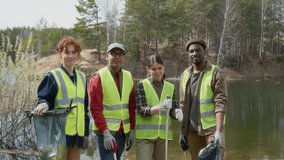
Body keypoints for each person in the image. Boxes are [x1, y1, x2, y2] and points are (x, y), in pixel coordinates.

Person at [34, 36, 90, 160]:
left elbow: (84, 108)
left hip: (77, 134)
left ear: (78, 54)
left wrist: (86, 133)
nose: (70, 56)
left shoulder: (82, 77)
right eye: (66, 52)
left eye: (73, 52)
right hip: (59, 135)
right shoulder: (53, 76)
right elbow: (44, 98)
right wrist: (43, 103)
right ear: (60, 54)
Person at [179, 38, 227, 160]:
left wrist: (218, 132)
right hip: (192, 131)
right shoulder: (185, 74)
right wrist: (182, 133)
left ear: (204, 51)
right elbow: (182, 104)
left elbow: (220, 103)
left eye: (198, 50)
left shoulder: (215, 72)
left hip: (211, 130)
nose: (194, 53)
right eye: (191, 51)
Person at [88, 42, 135, 160]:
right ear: (106, 56)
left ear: (124, 57)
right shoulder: (98, 77)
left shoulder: (128, 76)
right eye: (113, 53)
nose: (117, 57)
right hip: (106, 132)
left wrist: (132, 129)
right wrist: (105, 132)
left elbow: (131, 105)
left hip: (123, 131)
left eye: (120, 54)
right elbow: (95, 108)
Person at [135, 54, 183, 160]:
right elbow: (141, 110)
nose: (157, 71)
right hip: (145, 136)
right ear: (148, 70)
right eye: (153, 69)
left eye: (160, 68)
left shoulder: (170, 87)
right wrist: (160, 106)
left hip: (163, 136)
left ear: (164, 67)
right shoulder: (141, 85)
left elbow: (172, 109)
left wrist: (176, 113)